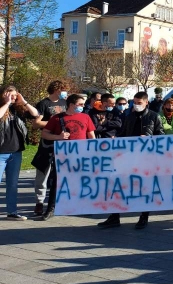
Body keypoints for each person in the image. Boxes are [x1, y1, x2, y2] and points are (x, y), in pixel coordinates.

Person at [97, 92, 164, 230]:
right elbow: (123, 133)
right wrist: (116, 139)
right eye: (135, 102)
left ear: (146, 103)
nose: (136, 105)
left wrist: (149, 139)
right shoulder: (129, 116)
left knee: (144, 188)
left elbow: (161, 137)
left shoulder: (154, 116)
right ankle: (114, 216)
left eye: (139, 103)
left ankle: (144, 217)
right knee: (120, 186)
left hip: (145, 158)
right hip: (128, 156)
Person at [41, 93, 97, 221]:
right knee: (57, 181)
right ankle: (51, 208)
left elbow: (91, 135)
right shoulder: (57, 118)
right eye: (80, 104)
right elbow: (44, 134)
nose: (82, 106)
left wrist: (93, 151)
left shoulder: (86, 117)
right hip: (62, 155)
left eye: (83, 104)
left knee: (81, 181)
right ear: (71, 105)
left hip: (81, 154)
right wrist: (58, 137)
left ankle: (82, 207)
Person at [0, 86, 39, 220]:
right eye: (10, 95)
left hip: (16, 152)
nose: (13, 98)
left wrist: (24, 102)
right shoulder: (3, 108)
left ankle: (12, 211)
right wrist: (6, 103)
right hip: (1, 153)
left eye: (15, 95)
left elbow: (36, 114)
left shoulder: (19, 110)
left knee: (13, 184)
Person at [30, 81, 68, 216]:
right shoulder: (44, 103)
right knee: (43, 172)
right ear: (57, 90)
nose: (65, 93)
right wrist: (53, 122)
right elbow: (36, 123)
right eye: (63, 90)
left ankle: (58, 201)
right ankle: (39, 202)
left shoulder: (64, 103)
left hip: (63, 142)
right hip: (47, 142)